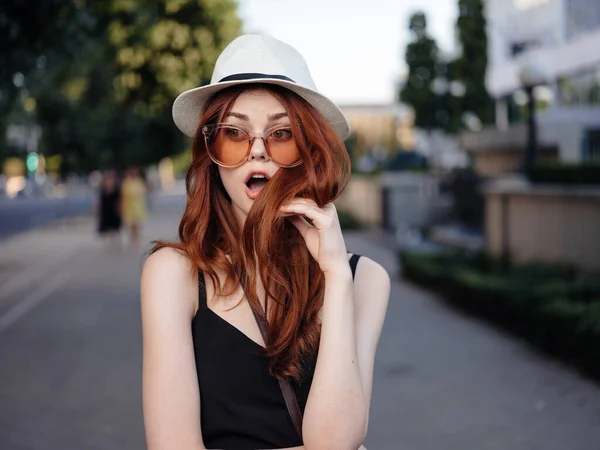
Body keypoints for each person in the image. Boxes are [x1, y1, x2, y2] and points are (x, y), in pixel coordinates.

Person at [141, 34, 390, 450]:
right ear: (210, 154)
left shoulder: (363, 279)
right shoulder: (175, 275)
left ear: (310, 150)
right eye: (234, 134)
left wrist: (334, 276)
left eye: (281, 134)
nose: (257, 152)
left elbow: (335, 441)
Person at [121, 167, 147, 246]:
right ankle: (132, 238)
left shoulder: (138, 182)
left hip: (137, 206)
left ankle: (136, 238)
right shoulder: (126, 182)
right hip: (128, 206)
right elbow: (123, 193)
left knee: (136, 224)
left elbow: (142, 192)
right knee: (131, 224)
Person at [96, 170, 122, 247]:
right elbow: (99, 201)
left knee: (115, 228)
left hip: (114, 211)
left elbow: (120, 200)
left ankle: (116, 243)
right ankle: (108, 243)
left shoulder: (116, 189)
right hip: (105, 211)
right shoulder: (102, 190)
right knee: (106, 228)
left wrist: (120, 208)